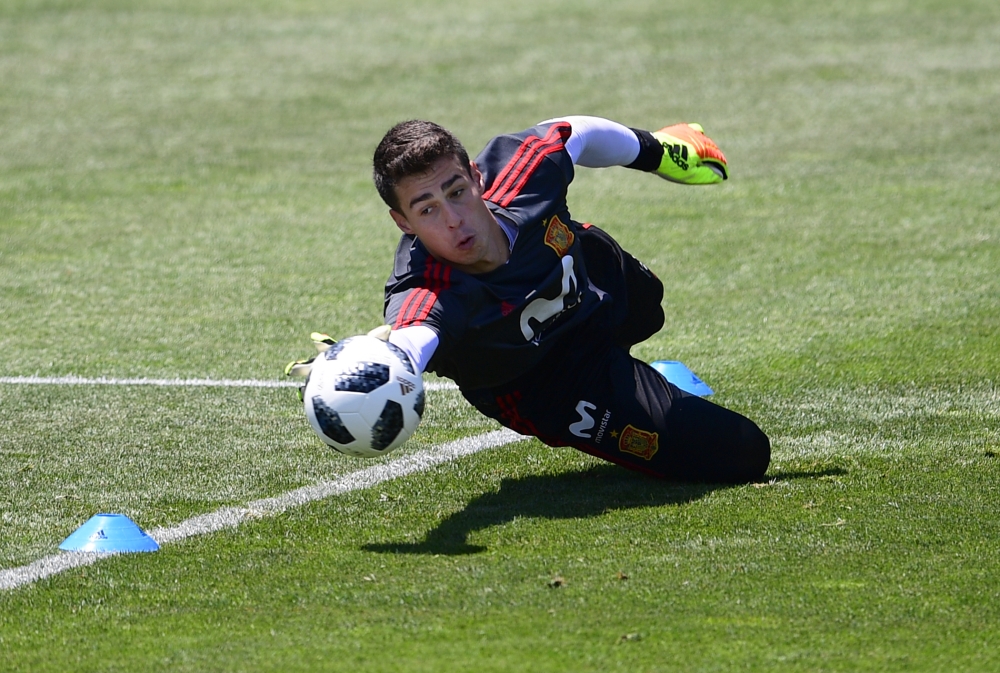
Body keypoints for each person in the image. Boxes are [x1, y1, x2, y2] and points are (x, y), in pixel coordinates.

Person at [301, 116, 770, 483]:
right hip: (549, 383)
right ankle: (647, 389)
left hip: (592, 285)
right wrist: (378, 363)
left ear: (477, 177)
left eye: (457, 192)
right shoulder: (426, 288)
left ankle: (643, 376)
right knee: (744, 452)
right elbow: (415, 335)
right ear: (403, 222)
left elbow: (577, 132)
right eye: (427, 210)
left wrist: (661, 151)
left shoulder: (520, 173)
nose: (454, 219)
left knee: (650, 305)